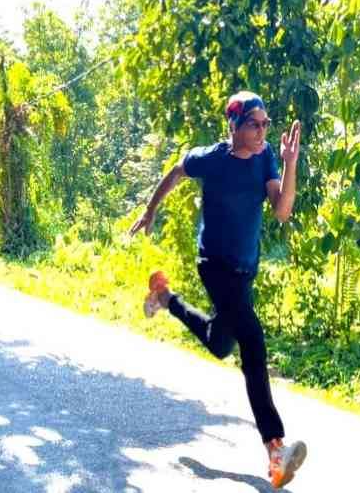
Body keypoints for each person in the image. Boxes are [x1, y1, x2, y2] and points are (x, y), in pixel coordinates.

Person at [130, 91, 306, 489]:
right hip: (215, 266)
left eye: (265, 124)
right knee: (254, 343)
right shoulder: (211, 158)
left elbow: (281, 210)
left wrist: (291, 163)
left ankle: (165, 297)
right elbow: (177, 170)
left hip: (245, 272)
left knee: (220, 344)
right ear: (234, 125)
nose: (262, 131)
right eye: (254, 124)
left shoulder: (264, 159)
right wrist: (151, 209)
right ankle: (275, 450)